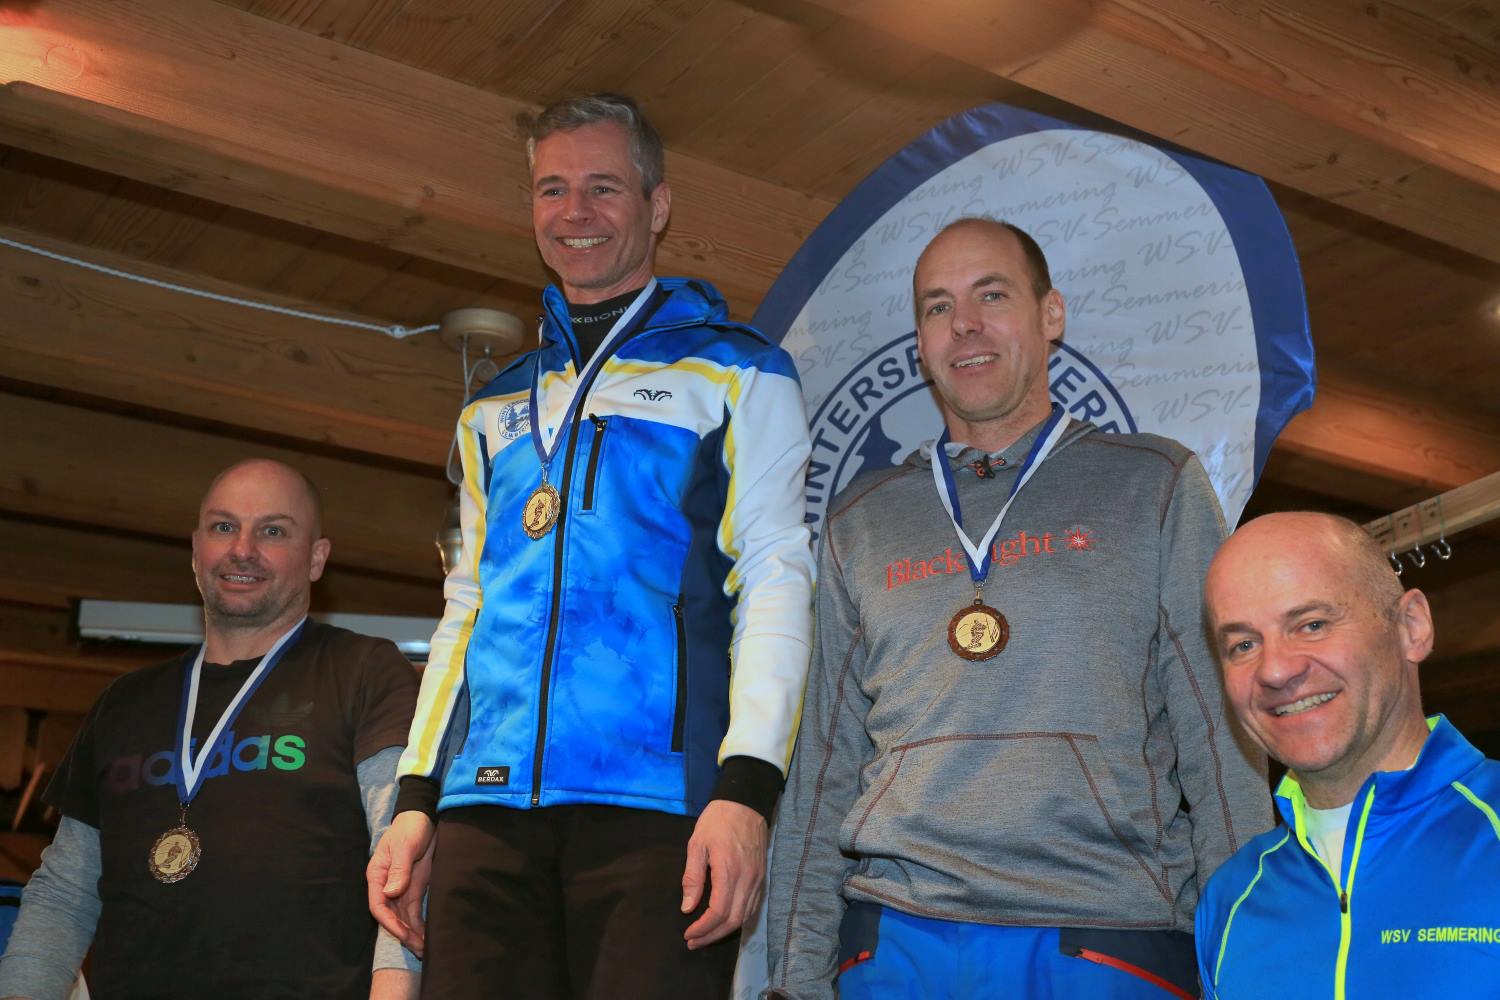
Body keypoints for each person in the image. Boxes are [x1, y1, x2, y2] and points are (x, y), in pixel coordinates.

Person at [368, 93, 815, 999]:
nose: (576, 212)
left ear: (657, 205)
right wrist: (416, 798)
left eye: (603, 187)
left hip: (657, 807)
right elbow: (467, 607)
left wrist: (745, 790)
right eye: (553, 189)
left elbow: (775, 578)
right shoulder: (493, 407)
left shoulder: (738, 372)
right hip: (485, 805)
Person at [765, 217, 1270, 999]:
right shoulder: (861, 520)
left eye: (991, 295)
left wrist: (1252, 965)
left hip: (1105, 933)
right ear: (921, 342)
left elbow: (1219, 737)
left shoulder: (1154, 483)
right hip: (896, 941)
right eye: (937, 307)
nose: (964, 324)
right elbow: (823, 771)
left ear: (1051, 314)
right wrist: (794, 982)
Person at [0, 459, 421, 1000]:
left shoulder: (363, 670)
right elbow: (64, 893)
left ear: (317, 558)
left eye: (273, 531)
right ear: (195, 550)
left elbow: (400, 866)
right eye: (224, 526)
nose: (242, 548)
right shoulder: (124, 703)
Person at [1196, 512, 1500, 998]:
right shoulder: (1232, 900)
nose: (1275, 670)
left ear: (1411, 626)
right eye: (1243, 644)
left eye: (1312, 624)